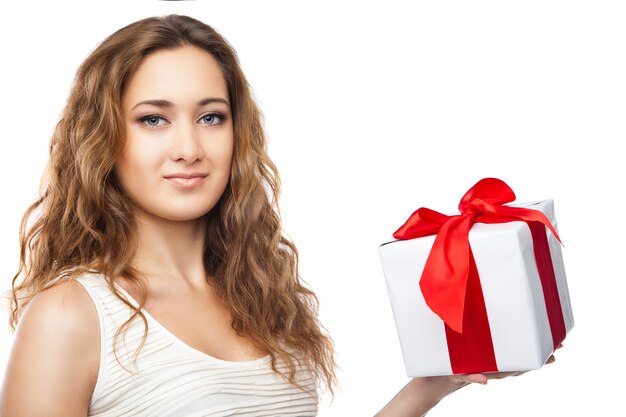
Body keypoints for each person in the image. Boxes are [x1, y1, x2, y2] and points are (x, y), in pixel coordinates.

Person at [0, 14, 555, 417]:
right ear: (103, 140)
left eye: (211, 117)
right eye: (153, 120)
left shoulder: (260, 296)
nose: (189, 147)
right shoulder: (71, 315)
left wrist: (429, 388)